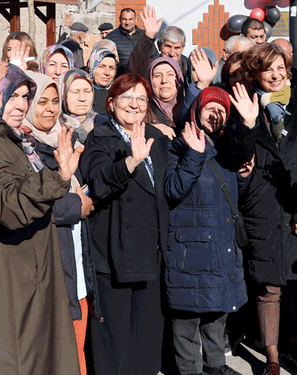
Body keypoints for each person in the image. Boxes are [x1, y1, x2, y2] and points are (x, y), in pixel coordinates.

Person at [227, 42, 297, 375]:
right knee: (267, 285)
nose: (275, 74)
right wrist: (250, 124)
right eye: (268, 68)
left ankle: (293, 351)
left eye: (280, 67)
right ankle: (271, 357)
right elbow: (237, 153)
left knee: (296, 285)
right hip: (262, 207)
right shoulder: (245, 107)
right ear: (256, 73)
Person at [0, 61, 82, 375]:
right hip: (13, 283)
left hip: (33, 274)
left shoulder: (18, 140)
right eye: (11, 96)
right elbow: (8, 204)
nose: (20, 105)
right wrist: (57, 179)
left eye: (24, 96)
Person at [79, 73, 169, 375]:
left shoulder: (155, 141)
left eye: (141, 98)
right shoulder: (100, 137)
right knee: (114, 342)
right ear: (111, 101)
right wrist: (130, 162)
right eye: (126, 96)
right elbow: (100, 182)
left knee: (146, 339)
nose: (133, 104)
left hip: (151, 254)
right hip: (115, 254)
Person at [164, 87, 249, 375]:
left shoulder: (227, 151)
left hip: (221, 245)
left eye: (221, 111)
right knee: (187, 321)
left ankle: (216, 366)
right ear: (195, 112)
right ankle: (189, 371)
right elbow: (174, 189)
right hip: (190, 249)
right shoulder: (177, 146)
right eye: (209, 108)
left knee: (217, 314)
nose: (215, 115)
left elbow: (235, 197)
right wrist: (194, 154)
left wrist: (245, 178)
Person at [22, 71, 97, 375]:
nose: (50, 108)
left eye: (54, 101)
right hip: (46, 267)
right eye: (41, 101)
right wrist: (78, 205)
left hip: (75, 262)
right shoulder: (24, 148)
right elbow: (37, 204)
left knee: (75, 348)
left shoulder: (64, 138)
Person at [59, 69, 107, 142]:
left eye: (87, 91)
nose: (82, 98)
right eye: (75, 92)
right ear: (63, 94)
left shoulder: (104, 125)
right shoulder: (53, 127)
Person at [148, 56, 184, 130]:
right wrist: (150, 129)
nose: (164, 80)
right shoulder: (142, 111)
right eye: (158, 76)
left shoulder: (192, 108)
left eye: (170, 74)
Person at [87, 48, 118, 116]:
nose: (107, 73)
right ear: (92, 68)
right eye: (101, 67)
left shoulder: (118, 94)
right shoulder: (84, 92)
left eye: (111, 68)